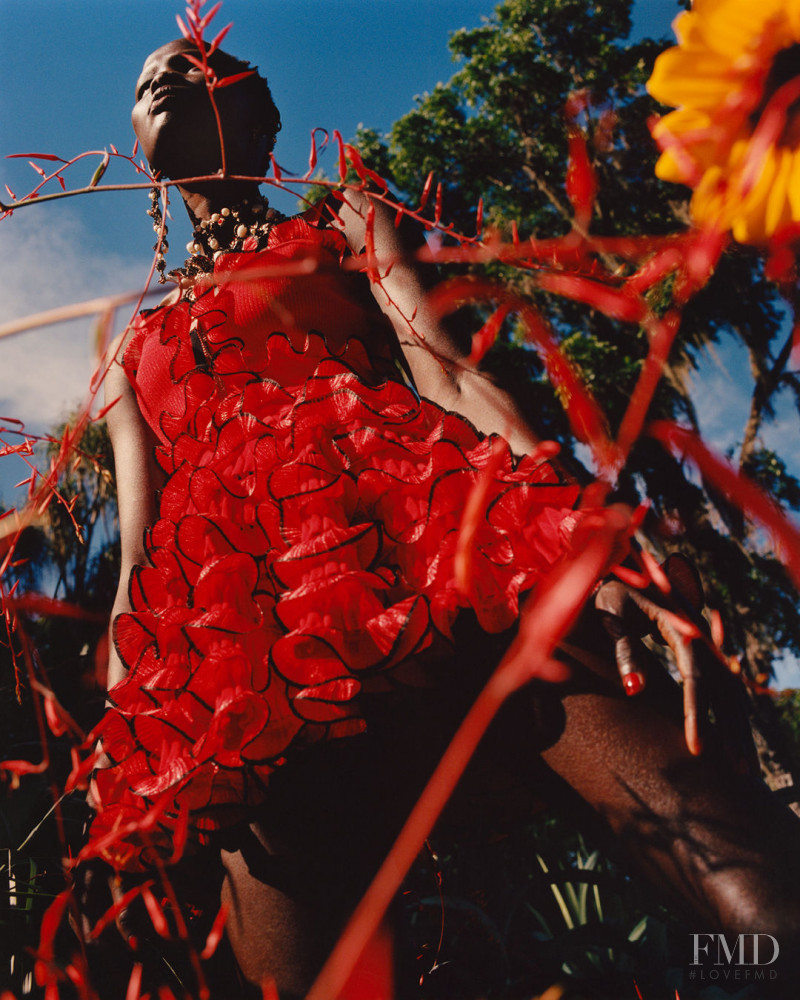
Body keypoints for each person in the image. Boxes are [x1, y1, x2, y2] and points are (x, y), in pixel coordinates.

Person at [84, 37, 800, 998]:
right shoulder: (126, 345)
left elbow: (453, 373)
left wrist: (585, 541)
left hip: (438, 543)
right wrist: (130, 725)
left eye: (199, 63)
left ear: (260, 118)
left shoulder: (345, 220)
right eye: (146, 82)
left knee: (749, 891)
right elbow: (141, 546)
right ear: (134, 142)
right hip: (246, 649)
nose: (165, 77)